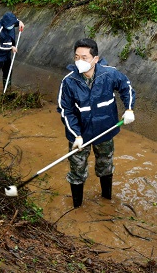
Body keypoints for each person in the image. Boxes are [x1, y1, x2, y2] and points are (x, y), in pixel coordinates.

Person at [57, 38, 136, 208]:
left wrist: (129, 109)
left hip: (105, 131)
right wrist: (76, 135)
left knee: (106, 166)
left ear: (95, 59)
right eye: (76, 57)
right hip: (80, 135)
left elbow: (126, 87)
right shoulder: (69, 82)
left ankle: (107, 201)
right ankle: (77, 207)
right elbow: (65, 111)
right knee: (77, 171)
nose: (79, 61)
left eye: (84, 57)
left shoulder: (109, 74)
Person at [0, 12, 25, 99]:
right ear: (5, 24)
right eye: (12, 24)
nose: (12, 26)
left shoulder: (10, 23)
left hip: (6, 54)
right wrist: (11, 47)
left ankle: (7, 92)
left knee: (8, 72)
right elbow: (0, 46)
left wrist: (19, 23)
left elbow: (15, 21)